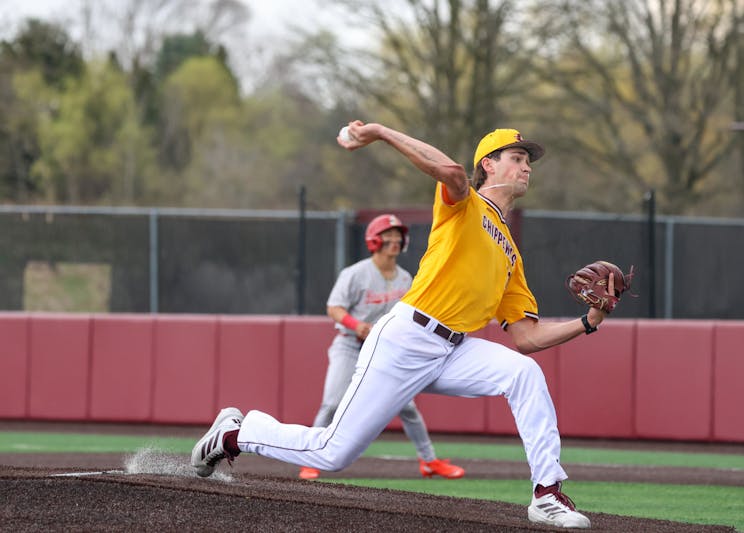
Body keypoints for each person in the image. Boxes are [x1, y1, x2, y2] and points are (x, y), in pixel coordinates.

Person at [192, 121, 617, 529]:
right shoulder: (465, 203)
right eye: (518, 156)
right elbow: (450, 170)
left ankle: (547, 494)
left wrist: (587, 322)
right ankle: (236, 432)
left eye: (529, 160)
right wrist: (377, 132)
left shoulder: (511, 255)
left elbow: (526, 338)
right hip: (407, 337)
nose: (526, 166)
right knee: (332, 452)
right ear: (488, 163)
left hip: (453, 350)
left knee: (524, 373)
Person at [297, 213, 464, 480]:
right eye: (389, 236)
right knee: (332, 403)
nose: (395, 241)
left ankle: (429, 461)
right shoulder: (355, 273)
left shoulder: (405, 278)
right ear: (374, 240)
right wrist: (356, 325)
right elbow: (333, 307)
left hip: (385, 350)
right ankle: (310, 458)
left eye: (398, 236)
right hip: (351, 345)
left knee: (407, 407)